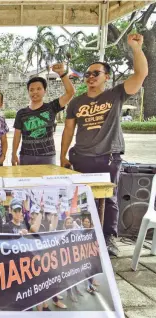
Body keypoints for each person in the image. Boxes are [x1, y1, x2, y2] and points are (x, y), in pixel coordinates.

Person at [61, 34, 148, 257]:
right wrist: (63, 156)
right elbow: (68, 130)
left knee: (108, 198)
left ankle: (108, 239)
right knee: (80, 197)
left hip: (108, 156)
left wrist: (136, 49)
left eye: (96, 73)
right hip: (80, 156)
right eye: (87, 74)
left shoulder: (116, 94)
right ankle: (83, 236)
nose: (90, 77)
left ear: (106, 77)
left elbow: (140, 75)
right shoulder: (76, 103)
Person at [12, 63, 75, 166]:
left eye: (38, 89)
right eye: (31, 90)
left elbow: (70, 93)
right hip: (26, 156)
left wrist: (62, 74)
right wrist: (13, 153)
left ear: (44, 91)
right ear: (28, 92)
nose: (35, 92)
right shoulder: (21, 113)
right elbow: (17, 135)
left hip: (48, 156)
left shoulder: (51, 107)